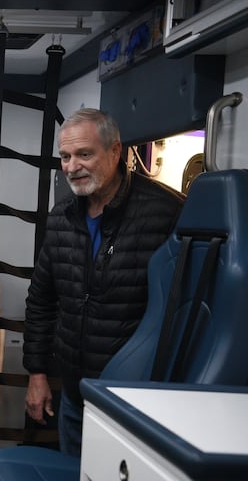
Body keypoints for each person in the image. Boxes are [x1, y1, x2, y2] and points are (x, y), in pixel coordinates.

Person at [22, 108, 184, 456]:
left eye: (84, 154)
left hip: (134, 399)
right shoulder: (62, 217)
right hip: (75, 394)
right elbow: (41, 300)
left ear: (115, 151)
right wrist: (37, 374)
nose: (71, 166)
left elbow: (182, 311)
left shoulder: (165, 213)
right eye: (65, 156)